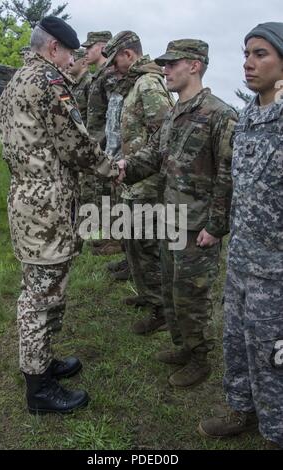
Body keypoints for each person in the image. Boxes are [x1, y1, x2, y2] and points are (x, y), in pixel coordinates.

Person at [0, 16, 117, 415]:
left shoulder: (16, 81)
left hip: (28, 198)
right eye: (68, 52)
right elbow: (76, 145)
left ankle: (43, 363)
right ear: (53, 49)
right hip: (46, 205)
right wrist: (113, 167)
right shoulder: (46, 83)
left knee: (44, 288)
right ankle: (39, 388)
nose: (71, 60)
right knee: (40, 297)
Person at [117, 39, 237, 387]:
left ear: (195, 66)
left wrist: (216, 227)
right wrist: (123, 168)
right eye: (164, 64)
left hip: (197, 226)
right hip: (171, 220)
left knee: (192, 297)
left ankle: (200, 359)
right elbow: (153, 157)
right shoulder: (174, 114)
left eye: (172, 64)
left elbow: (227, 177)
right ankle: (183, 347)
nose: (165, 70)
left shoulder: (220, 114)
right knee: (171, 291)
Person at [199, 22, 283, 449]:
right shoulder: (248, 116)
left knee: (273, 356)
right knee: (235, 340)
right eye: (246, 53)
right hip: (242, 260)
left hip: (277, 272)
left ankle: (276, 432)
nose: (248, 63)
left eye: (261, 54)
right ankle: (241, 409)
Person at [103, 31, 175, 330]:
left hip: (147, 180)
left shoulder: (147, 83)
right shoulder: (136, 82)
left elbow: (164, 132)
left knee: (147, 245)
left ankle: (161, 310)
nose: (111, 67)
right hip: (134, 177)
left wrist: (139, 165)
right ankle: (147, 295)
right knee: (133, 242)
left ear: (129, 55)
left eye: (115, 60)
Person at [81, 31, 121, 256]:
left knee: (109, 192)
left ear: (103, 46)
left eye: (90, 47)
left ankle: (114, 239)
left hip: (106, 145)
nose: (86, 51)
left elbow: (114, 112)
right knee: (102, 192)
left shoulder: (110, 75)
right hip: (97, 142)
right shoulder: (101, 75)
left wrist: (110, 147)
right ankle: (107, 236)